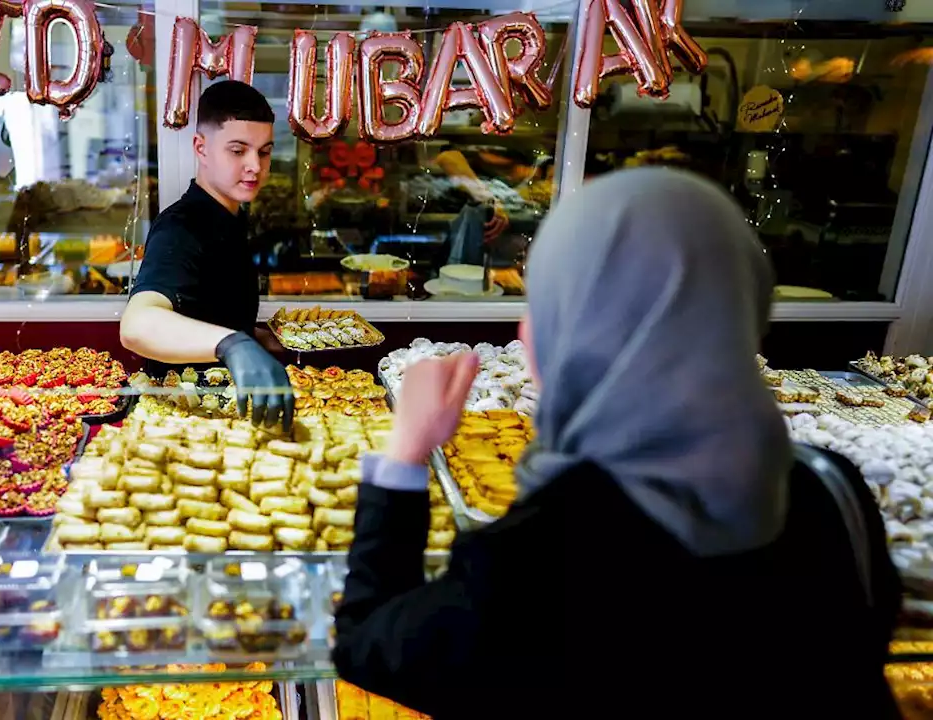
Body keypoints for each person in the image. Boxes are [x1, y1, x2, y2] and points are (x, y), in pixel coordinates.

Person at [332, 168, 900, 717]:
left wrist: (406, 452)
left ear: (543, 345)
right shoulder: (833, 494)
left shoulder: (538, 556)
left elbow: (369, 645)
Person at [120, 80, 293, 430]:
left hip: (230, 412)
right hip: (184, 419)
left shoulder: (231, 215)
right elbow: (136, 325)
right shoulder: (182, 228)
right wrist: (232, 344)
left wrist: (257, 338)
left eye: (264, 152)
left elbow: (204, 307)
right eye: (237, 150)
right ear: (201, 147)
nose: (255, 167)